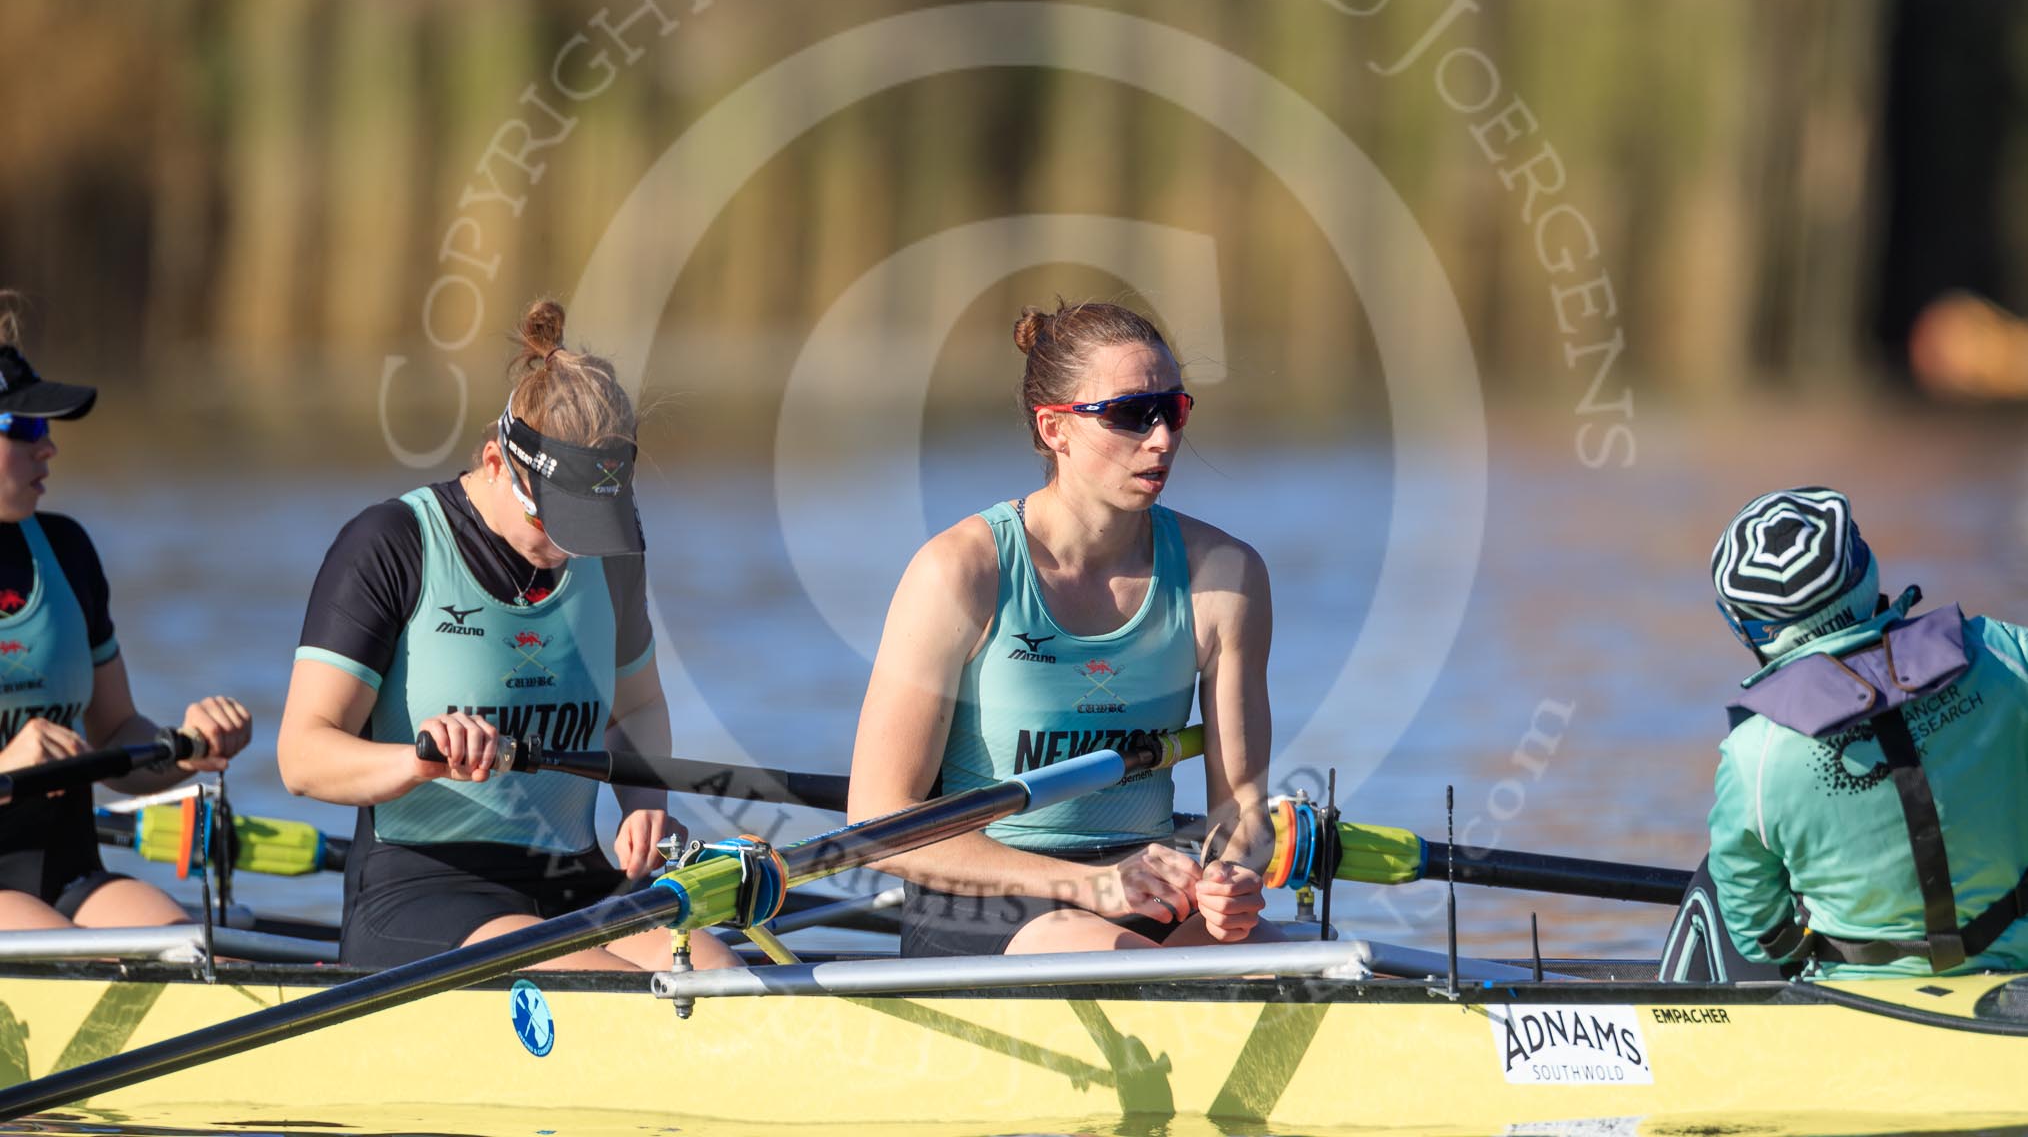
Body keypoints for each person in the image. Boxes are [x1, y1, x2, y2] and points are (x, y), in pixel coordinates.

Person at [277, 300, 736, 970]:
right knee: (617, 993)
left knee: (721, 975)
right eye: (555, 521)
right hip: (421, 892)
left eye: (589, 526)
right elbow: (301, 757)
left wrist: (643, 805)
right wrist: (415, 761)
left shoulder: (615, 551)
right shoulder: (389, 547)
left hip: (570, 880)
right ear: (496, 463)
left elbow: (635, 707)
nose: (570, 545)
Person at [849, 299, 1278, 956]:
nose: (1162, 438)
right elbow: (878, 822)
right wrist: (1091, 885)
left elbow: (1240, 812)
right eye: (1132, 415)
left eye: (1174, 409)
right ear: (1056, 429)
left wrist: (1231, 879)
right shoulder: (960, 571)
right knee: (1129, 964)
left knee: (1318, 978)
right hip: (986, 901)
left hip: (1146, 888)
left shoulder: (1224, 577)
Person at [1668, 485, 2028, 980]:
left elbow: (1755, 933)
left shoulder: (1753, 756)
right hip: (2015, 973)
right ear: (1866, 568)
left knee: (1720, 874)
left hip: (1856, 1003)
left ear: (1744, 627)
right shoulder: (2004, 651)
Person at [0, 293, 253, 932]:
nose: (49, 447)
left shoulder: (66, 551)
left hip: (67, 876)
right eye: (26, 429)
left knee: (189, 950)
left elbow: (114, 734)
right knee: (73, 959)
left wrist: (183, 749)